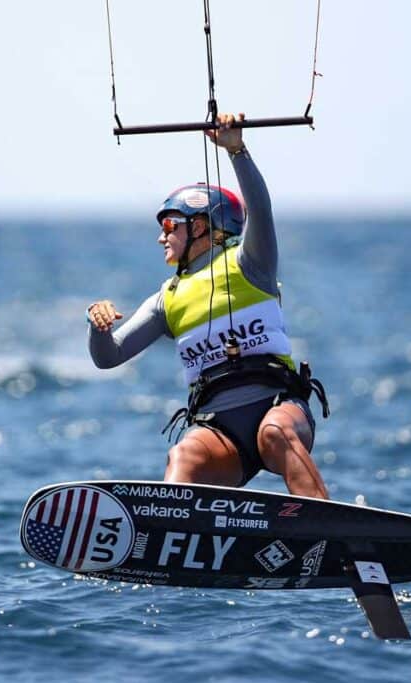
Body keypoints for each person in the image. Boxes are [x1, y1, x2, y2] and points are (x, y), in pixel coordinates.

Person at [86, 113, 330, 499]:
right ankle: (168, 536)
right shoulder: (167, 298)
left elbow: (261, 212)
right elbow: (109, 357)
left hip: (278, 407)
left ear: (201, 226)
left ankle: (327, 532)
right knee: (183, 454)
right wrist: (97, 327)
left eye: (170, 225)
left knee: (274, 433)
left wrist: (237, 150)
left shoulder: (251, 262)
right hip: (219, 429)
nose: (160, 237)